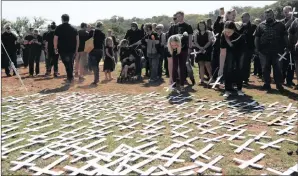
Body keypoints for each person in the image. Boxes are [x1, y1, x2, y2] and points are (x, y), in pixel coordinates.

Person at [254, 8, 288, 92]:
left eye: (270, 15)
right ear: (264, 16)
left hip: (278, 51)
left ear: (273, 15)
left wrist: (287, 46)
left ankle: (278, 85)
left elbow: (285, 37)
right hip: (264, 52)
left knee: (278, 69)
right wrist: (257, 49)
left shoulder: (280, 24)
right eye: (267, 15)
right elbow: (256, 38)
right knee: (265, 69)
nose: (268, 16)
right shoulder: (260, 25)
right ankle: (267, 84)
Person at [168, 11, 194, 91]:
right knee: (174, 67)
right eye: (176, 17)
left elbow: (190, 38)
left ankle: (182, 84)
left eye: (179, 16)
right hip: (175, 49)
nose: (177, 18)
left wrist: (190, 48)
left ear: (182, 16)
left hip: (184, 49)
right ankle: (174, 84)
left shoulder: (188, 26)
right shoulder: (174, 27)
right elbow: (170, 38)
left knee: (182, 67)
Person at [219, 21, 246, 97]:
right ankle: (227, 90)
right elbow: (222, 53)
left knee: (239, 68)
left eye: (229, 32)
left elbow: (242, 49)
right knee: (228, 68)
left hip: (240, 51)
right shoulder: (223, 36)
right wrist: (221, 68)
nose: (227, 33)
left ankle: (239, 89)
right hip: (229, 51)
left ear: (234, 30)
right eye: (226, 31)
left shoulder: (239, 35)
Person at [54, 14, 79, 84]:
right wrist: (76, 49)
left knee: (67, 63)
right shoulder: (73, 28)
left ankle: (70, 78)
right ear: (68, 19)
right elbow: (77, 40)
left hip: (62, 49)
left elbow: (55, 39)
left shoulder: (58, 28)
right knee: (70, 63)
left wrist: (55, 48)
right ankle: (70, 77)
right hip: (72, 49)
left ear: (62, 19)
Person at [213, 9, 237, 78]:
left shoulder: (234, 24)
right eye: (233, 15)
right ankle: (219, 78)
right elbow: (216, 29)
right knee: (220, 63)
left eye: (235, 15)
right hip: (221, 46)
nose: (234, 16)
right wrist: (219, 17)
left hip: (230, 47)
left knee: (230, 64)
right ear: (228, 14)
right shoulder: (222, 23)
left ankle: (228, 79)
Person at [238, 12, 257, 85]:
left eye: (245, 17)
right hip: (240, 48)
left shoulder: (253, 26)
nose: (244, 19)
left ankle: (245, 79)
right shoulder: (240, 26)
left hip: (249, 48)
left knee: (246, 64)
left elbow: (254, 37)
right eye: (242, 17)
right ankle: (240, 78)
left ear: (249, 17)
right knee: (240, 64)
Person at [280, 6, 296, 87]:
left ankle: (289, 80)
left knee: (292, 64)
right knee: (284, 64)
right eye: (284, 12)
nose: (286, 13)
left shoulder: (296, 21)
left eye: (287, 12)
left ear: (291, 11)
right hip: (284, 47)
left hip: (294, 46)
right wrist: (288, 23)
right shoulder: (281, 22)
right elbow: (281, 31)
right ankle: (282, 79)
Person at [193, 21, 213, 85]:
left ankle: (211, 78)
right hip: (199, 50)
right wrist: (200, 48)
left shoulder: (209, 32)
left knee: (207, 64)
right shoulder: (196, 33)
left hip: (207, 50)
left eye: (202, 25)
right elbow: (195, 42)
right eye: (200, 25)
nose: (201, 26)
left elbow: (210, 41)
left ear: (205, 25)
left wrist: (204, 48)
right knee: (201, 65)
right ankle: (202, 79)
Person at [88, 21, 106, 85]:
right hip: (99, 51)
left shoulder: (92, 32)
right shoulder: (103, 34)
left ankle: (96, 79)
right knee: (95, 65)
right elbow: (103, 44)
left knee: (93, 65)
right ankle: (97, 78)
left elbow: (88, 40)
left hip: (92, 50)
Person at [288, 18, 298, 89]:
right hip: (296, 48)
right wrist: (289, 45)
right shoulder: (295, 22)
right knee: (297, 66)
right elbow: (290, 33)